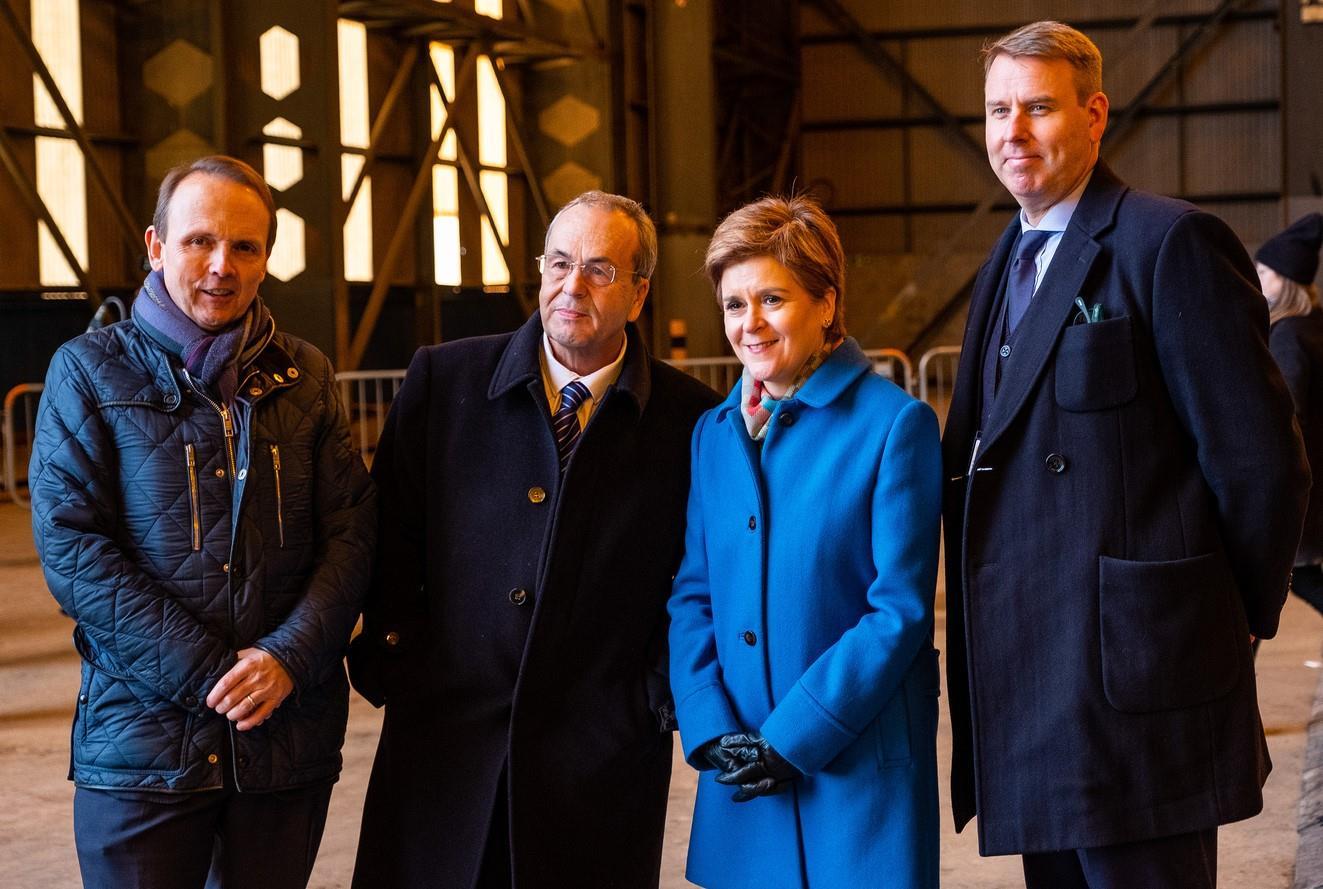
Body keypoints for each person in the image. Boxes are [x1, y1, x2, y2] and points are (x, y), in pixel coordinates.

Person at [942, 20, 1310, 889]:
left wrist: (1220, 625)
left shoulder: (1166, 241)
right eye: (997, 110)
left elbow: (1261, 463)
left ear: (1094, 113)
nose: (1012, 131)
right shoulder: (1007, 259)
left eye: (1037, 106)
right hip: (1035, 683)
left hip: (1135, 684)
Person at [347, 190, 720, 889]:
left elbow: (696, 577)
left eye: (600, 270)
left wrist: (649, 699)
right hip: (443, 738)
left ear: (639, 294)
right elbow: (386, 535)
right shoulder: (442, 379)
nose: (571, 286)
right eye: (558, 262)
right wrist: (400, 657)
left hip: (597, 756)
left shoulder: (689, 421)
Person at [29, 155, 376, 889]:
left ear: (265, 259)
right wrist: (216, 675)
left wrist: (286, 657)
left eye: (244, 247)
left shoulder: (304, 376)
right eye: (199, 242)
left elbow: (350, 532)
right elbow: (72, 547)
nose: (221, 265)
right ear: (157, 247)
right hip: (142, 749)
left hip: (281, 740)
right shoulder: (88, 371)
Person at [668, 195, 943, 889]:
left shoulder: (893, 426)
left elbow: (898, 610)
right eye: (734, 304)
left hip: (853, 771)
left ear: (825, 303)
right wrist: (706, 724)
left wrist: (795, 735)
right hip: (740, 771)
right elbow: (693, 591)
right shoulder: (713, 434)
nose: (748, 324)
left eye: (771, 298)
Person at [1258, 213, 1323, 616]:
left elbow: (1286, 411)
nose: (1257, 278)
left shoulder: (1289, 336)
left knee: (1273, 579)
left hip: (1300, 485)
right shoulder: (1315, 326)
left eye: (1264, 272)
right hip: (1316, 480)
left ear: (1286, 280)